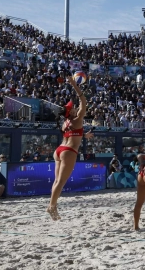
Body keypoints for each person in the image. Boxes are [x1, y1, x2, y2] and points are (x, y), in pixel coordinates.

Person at [47, 76, 93, 221]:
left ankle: (53, 207)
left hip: (59, 150)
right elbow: (83, 101)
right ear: (71, 112)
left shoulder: (65, 123)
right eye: (72, 108)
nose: (74, 108)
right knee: (61, 182)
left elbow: (71, 134)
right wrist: (74, 85)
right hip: (68, 151)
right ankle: (51, 206)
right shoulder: (77, 119)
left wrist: (83, 135)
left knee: (57, 181)